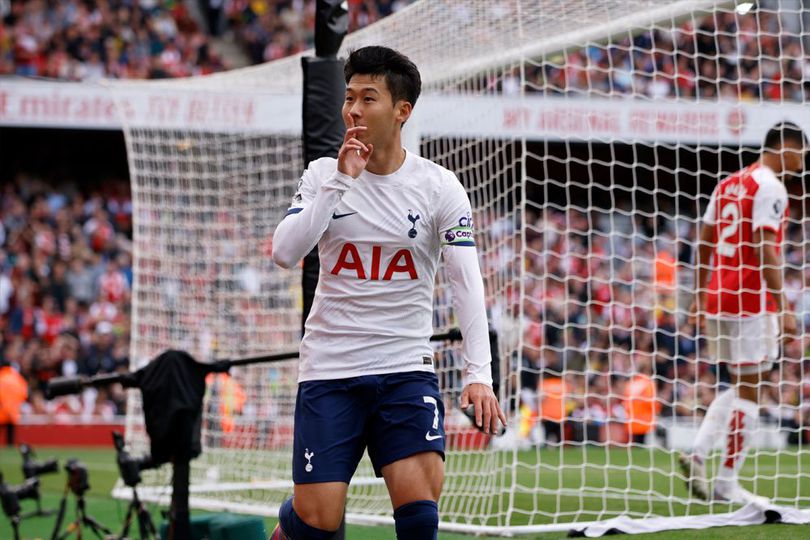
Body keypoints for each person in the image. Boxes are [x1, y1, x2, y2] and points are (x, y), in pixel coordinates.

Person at [270, 46, 506, 540]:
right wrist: (340, 182)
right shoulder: (321, 175)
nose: (353, 109)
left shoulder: (439, 187)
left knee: (421, 514)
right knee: (317, 522)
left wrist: (479, 375)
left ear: (402, 110)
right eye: (349, 96)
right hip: (331, 369)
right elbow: (284, 253)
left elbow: (466, 282)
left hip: (405, 370)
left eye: (368, 98)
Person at [680, 121, 807, 505]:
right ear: (784, 147)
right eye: (801, 153)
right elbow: (765, 246)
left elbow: (703, 242)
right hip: (750, 299)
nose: (802, 162)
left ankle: (698, 453)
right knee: (752, 389)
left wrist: (699, 295)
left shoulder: (727, 183)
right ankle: (727, 481)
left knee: (739, 385)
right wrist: (783, 306)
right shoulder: (771, 186)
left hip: (719, 297)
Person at [0, 357, 29, 447]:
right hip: (13, 410)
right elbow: (24, 393)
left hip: (2, 409)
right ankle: (10, 446)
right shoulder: (17, 378)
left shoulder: (1, 377)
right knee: (10, 433)